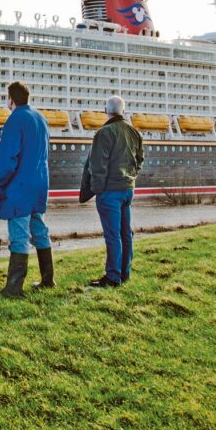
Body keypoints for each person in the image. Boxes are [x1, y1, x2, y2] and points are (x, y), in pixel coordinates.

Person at [0, 81, 53, 297]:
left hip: (20, 184)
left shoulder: (14, 120)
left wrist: (2, 180)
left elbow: (9, 157)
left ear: (11, 99)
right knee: (39, 229)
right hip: (40, 182)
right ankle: (48, 279)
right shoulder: (41, 119)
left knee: (19, 234)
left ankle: (14, 288)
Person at [82, 95, 144, 287]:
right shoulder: (134, 132)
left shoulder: (105, 132)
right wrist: (131, 176)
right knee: (126, 233)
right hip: (127, 189)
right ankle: (125, 273)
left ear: (105, 110)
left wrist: (97, 189)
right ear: (123, 111)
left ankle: (112, 277)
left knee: (112, 235)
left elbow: (97, 165)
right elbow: (139, 159)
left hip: (110, 191)